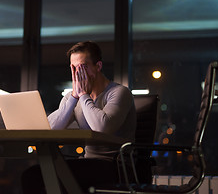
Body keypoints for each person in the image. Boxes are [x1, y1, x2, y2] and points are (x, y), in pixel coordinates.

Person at [21, 41, 137, 193]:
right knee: (33, 175)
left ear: (98, 66)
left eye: (82, 67)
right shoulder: (73, 97)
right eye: (74, 68)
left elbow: (102, 128)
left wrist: (83, 95)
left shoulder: (119, 93)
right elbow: (50, 129)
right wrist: (74, 97)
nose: (77, 73)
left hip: (116, 165)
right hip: (88, 162)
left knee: (39, 177)